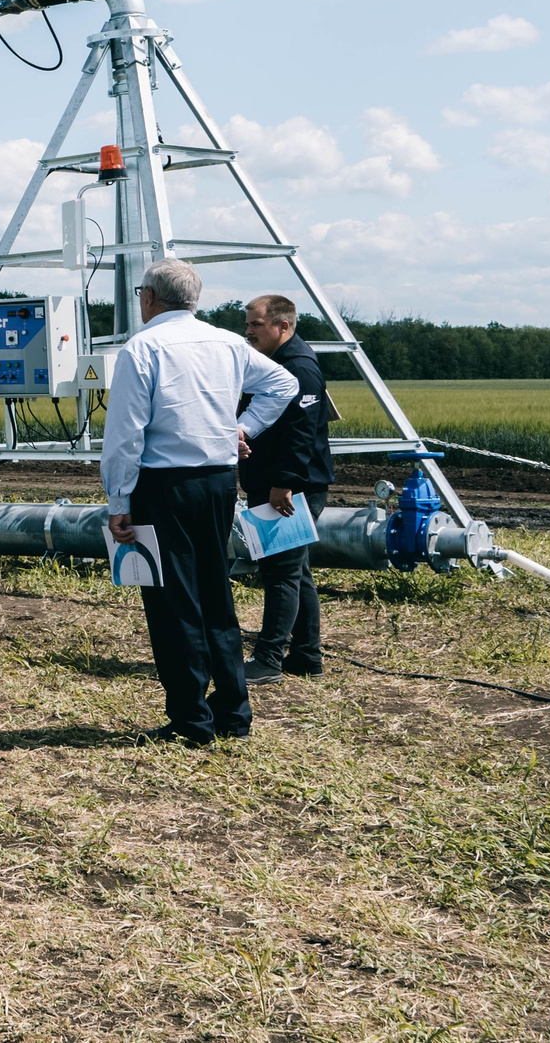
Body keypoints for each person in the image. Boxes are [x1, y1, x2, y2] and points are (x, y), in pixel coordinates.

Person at [100, 259, 298, 745]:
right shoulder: (228, 342)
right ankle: (232, 710)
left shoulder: (141, 348)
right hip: (217, 481)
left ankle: (191, 718)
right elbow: (284, 385)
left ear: (148, 297)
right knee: (215, 593)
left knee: (173, 603)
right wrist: (242, 429)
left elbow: (125, 434)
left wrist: (118, 499)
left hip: (162, 485)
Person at [241, 293, 333, 683]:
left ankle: (268, 660)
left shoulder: (299, 368)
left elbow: (301, 433)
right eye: (246, 325)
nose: (248, 332)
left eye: (256, 325)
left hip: (291, 489)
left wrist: (285, 484)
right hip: (278, 483)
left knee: (280, 572)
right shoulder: (274, 364)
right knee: (297, 572)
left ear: (284, 326)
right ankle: (307, 656)